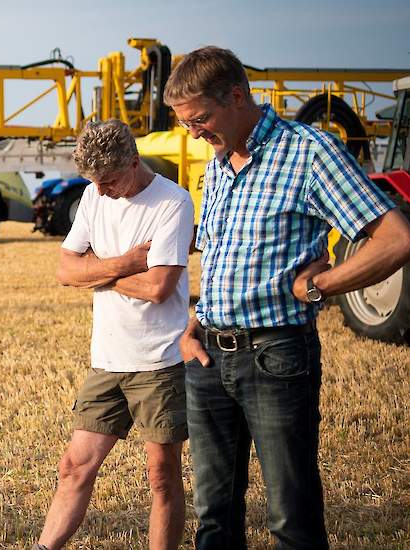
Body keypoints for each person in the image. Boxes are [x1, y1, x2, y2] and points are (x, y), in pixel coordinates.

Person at [164, 46, 410, 549]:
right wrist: (195, 322)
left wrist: (321, 284)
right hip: (207, 356)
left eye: (200, 119)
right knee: (213, 517)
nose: (193, 133)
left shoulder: (310, 151)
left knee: (290, 519)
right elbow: (220, 253)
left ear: (237, 96)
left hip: (275, 355)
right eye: (185, 123)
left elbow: (397, 238)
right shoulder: (216, 163)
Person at [34, 119, 194, 550]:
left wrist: (96, 270)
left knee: (161, 477)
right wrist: (125, 263)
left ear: (135, 162)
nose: (101, 192)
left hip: (159, 363)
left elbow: (159, 288)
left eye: (109, 181)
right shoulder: (92, 194)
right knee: (74, 466)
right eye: (95, 182)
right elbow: (65, 270)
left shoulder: (173, 202)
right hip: (107, 359)